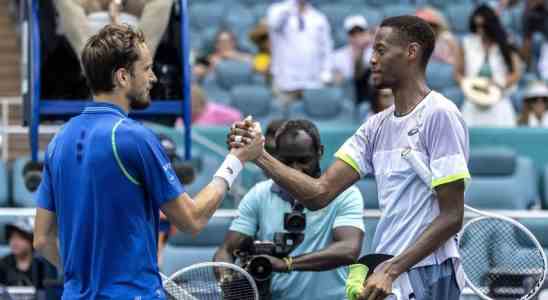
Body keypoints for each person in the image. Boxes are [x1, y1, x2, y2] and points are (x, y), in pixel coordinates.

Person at [230, 15, 469, 300]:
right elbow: (320, 193)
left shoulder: (440, 114)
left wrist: (392, 269)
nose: (371, 60)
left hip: (430, 271)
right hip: (388, 272)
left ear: (411, 52)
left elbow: (452, 216)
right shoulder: (374, 127)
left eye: (381, 50)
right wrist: (260, 156)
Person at [32, 24, 263, 299]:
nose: (153, 77)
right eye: (146, 68)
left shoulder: (58, 141)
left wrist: (80, 274)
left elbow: (42, 240)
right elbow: (192, 220)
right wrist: (236, 160)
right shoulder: (132, 137)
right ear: (122, 77)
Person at [215, 119, 364, 300]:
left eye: (304, 160)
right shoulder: (258, 194)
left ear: (320, 152)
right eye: (287, 161)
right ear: (276, 157)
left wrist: (288, 264)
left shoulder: (346, 194)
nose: (296, 170)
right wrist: (228, 281)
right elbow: (226, 250)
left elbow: (348, 249)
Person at [454, 4, 522, 127]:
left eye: (483, 26)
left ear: (491, 25)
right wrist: (468, 85)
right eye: (476, 26)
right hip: (473, 101)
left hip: (499, 101)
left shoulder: (506, 43)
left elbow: (516, 73)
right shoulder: (467, 43)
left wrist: (500, 84)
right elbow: (458, 73)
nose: (480, 29)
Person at [267, 0, 333, 104]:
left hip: (312, 81)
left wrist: (326, 71)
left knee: (311, 119)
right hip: (285, 80)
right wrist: (292, 5)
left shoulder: (319, 18)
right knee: (285, 119)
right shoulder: (278, 10)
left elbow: (326, 48)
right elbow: (275, 24)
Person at [332, 15, 374, 105]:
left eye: (361, 32)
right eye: (353, 34)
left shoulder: (375, 52)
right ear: (348, 36)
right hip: (346, 99)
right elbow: (333, 79)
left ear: (367, 33)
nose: (357, 37)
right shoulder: (338, 56)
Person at [0, 217, 51, 287]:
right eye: (12, 237)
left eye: (20, 237)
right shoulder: (3, 264)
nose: (14, 242)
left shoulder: (43, 265)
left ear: (31, 240)